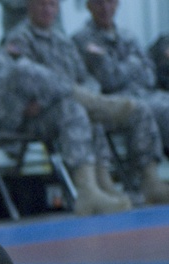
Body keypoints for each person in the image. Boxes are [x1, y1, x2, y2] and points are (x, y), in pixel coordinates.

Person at [0, 0, 129, 217]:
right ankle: (96, 102)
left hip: (11, 114)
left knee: (71, 109)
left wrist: (33, 104)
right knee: (23, 71)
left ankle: (88, 191)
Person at [6, 0, 169, 205]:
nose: (47, 10)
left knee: (97, 110)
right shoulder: (19, 39)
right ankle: (87, 191)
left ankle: (116, 182)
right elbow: (24, 77)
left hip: (73, 105)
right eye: (41, 5)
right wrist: (72, 94)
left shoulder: (62, 40)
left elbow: (88, 78)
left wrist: (89, 94)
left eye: (52, 5)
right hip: (39, 113)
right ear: (29, 6)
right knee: (76, 109)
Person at [72, 0, 169, 158]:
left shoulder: (127, 36)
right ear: (88, 6)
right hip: (115, 101)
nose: (105, 8)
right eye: (99, 3)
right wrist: (134, 64)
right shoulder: (83, 40)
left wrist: (121, 67)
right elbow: (109, 79)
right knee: (164, 112)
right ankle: (147, 176)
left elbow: (150, 76)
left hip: (145, 93)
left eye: (110, 2)